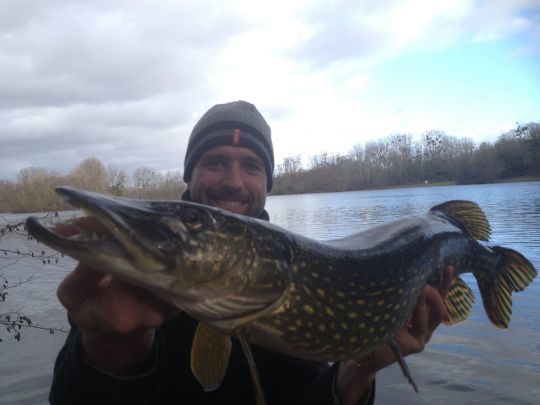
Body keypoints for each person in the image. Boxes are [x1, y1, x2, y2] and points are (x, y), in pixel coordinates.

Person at [50, 100, 453, 404]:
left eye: (251, 166)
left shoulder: (294, 276)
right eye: (214, 162)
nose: (233, 181)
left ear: (268, 183)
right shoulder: (130, 277)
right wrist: (111, 349)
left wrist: (356, 373)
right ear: (189, 177)